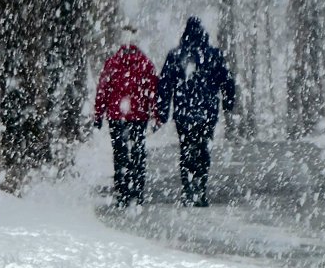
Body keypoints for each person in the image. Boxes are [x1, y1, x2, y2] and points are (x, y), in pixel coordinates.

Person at [157, 16, 235, 207]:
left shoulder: (176, 56)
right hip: (207, 113)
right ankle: (200, 188)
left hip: (184, 113)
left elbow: (165, 85)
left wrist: (163, 110)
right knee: (203, 150)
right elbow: (227, 82)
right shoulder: (213, 55)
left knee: (186, 150)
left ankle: (188, 188)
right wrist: (228, 103)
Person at [93, 32, 161, 207]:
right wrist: (156, 116)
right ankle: (137, 191)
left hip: (117, 117)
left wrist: (99, 114)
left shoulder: (113, 64)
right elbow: (153, 92)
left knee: (120, 154)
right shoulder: (145, 64)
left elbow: (103, 90)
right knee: (137, 152)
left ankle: (122, 192)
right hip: (138, 116)